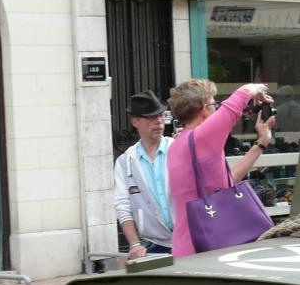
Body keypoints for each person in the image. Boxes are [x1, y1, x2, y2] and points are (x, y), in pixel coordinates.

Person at [166, 80, 274, 257]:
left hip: (187, 247)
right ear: (204, 109)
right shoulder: (203, 136)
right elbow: (237, 100)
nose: (216, 108)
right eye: (213, 104)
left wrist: (260, 144)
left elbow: (227, 182)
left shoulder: (177, 145)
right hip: (206, 250)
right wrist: (258, 89)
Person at [113, 90, 174, 260]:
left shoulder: (177, 149)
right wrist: (134, 244)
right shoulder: (125, 162)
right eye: (150, 117)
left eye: (160, 115)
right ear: (135, 122)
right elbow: (122, 206)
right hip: (154, 245)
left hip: (189, 240)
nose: (158, 121)